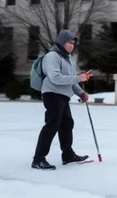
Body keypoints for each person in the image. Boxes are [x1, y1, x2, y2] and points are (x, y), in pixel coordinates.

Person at [31, 29, 93, 170]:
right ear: (61, 42)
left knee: (67, 124)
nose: (71, 45)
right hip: (52, 94)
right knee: (52, 124)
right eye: (69, 42)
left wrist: (80, 93)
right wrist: (79, 77)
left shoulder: (68, 58)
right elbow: (55, 77)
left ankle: (68, 155)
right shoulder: (52, 56)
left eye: (73, 43)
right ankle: (38, 159)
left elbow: (71, 81)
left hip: (63, 96)